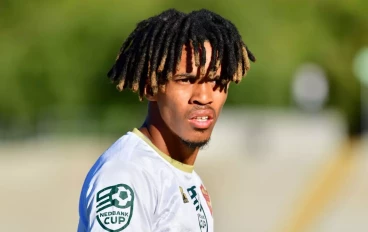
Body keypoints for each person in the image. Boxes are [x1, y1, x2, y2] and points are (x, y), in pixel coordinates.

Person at [77, 8, 255, 232]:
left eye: (216, 81)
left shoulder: (189, 182)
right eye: (186, 80)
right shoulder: (127, 173)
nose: (204, 97)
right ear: (150, 87)